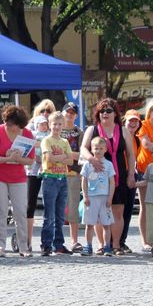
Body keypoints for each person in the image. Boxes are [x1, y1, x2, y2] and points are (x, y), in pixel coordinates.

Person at [80, 98, 135, 256]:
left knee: (117, 212)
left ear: (115, 114)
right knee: (98, 214)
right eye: (102, 111)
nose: (105, 113)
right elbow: (84, 148)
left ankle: (116, 245)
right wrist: (91, 159)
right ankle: (102, 245)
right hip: (96, 177)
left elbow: (130, 154)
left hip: (118, 176)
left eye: (109, 110)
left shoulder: (122, 130)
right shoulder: (92, 130)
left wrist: (131, 173)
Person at [0, 105, 35, 258]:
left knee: (20, 212)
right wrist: (9, 159)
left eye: (11, 123)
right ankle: (0, 247)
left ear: (20, 124)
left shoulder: (27, 134)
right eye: (6, 122)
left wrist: (18, 159)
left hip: (18, 177)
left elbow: (30, 160)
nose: (8, 125)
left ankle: (23, 247)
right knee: (0, 212)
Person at [39, 111, 73, 255]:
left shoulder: (64, 142)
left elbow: (71, 160)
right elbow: (49, 159)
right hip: (50, 178)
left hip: (62, 178)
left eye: (60, 124)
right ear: (49, 125)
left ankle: (58, 244)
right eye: (54, 124)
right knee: (49, 215)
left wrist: (59, 157)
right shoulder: (46, 140)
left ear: (63, 125)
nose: (57, 127)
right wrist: (63, 156)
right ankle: (46, 244)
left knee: (60, 215)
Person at [80, 137, 115, 256]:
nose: (98, 151)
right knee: (89, 224)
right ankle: (88, 246)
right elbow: (84, 181)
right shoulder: (87, 165)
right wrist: (85, 196)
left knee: (106, 224)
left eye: (101, 148)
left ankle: (107, 247)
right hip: (91, 197)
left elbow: (112, 182)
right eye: (96, 148)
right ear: (91, 149)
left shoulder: (109, 164)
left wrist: (110, 197)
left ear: (105, 149)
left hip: (104, 197)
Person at [135, 100, 153, 252]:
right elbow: (146, 144)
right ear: (150, 112)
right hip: (145, 169)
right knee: (145, 206)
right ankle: (146, 241)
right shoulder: (144, 125)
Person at [60, 102, 84, 253]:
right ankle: (56, 240)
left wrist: (63, 154)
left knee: (73, 207)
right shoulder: (56, 129)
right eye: (67, 111)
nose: (69, 114)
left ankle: (74, 240)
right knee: (56, 207)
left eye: (72, 112)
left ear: (76, 115)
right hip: (55, 172)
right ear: (62, 113)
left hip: (74, 173)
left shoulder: (79, 132)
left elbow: (82, 154)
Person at [26, 115, 49, 251]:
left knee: (48, 205)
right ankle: (27, 240)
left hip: (47, 169)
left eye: (45, 124)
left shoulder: (49, 135)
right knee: (31, 204)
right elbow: (28, 149)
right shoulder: (32, 134)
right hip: (33, 171)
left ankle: (47, 241)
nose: (44, 126)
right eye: (42, 124)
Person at [122, 109, 141, 253]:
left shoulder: (137, 140)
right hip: (119, 175)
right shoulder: (120, 137)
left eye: (136, 121)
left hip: (131, 175)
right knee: (118, 210)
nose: (133, 123)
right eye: (130, 120)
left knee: (128, 210)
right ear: (125, 121)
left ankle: (122, 241)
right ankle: (112, 241)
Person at [137, 143, 153, 257]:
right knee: (151, 224)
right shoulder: (150, 167)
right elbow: (145, 182)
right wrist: (135, 184)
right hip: (151, 201)